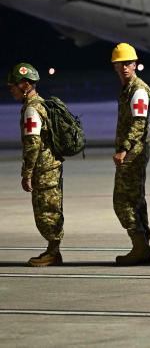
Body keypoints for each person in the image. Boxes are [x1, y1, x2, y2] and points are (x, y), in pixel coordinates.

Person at [7, 63, 64, 266]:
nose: (11, 89)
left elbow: (33, 144)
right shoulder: (41, 104)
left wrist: (27, 173)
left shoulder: (32, 109)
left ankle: (53, 253)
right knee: (49, 209)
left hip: (44, 169)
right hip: (50, 167)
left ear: (25, 85)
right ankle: (53, 251)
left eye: (13, 85)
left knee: (47, 212)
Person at [111, 43, 150, 265]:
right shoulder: (128, 89)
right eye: (121, 64)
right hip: (133, 152)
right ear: (115, 67)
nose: (125, 67)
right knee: (136, 200)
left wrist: (123, 149)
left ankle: (140, 246)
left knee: (122, 201)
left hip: (133, 154)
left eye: (128, 63)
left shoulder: (138, 90)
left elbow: (139, 122)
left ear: (135, 64)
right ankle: (143, 245)